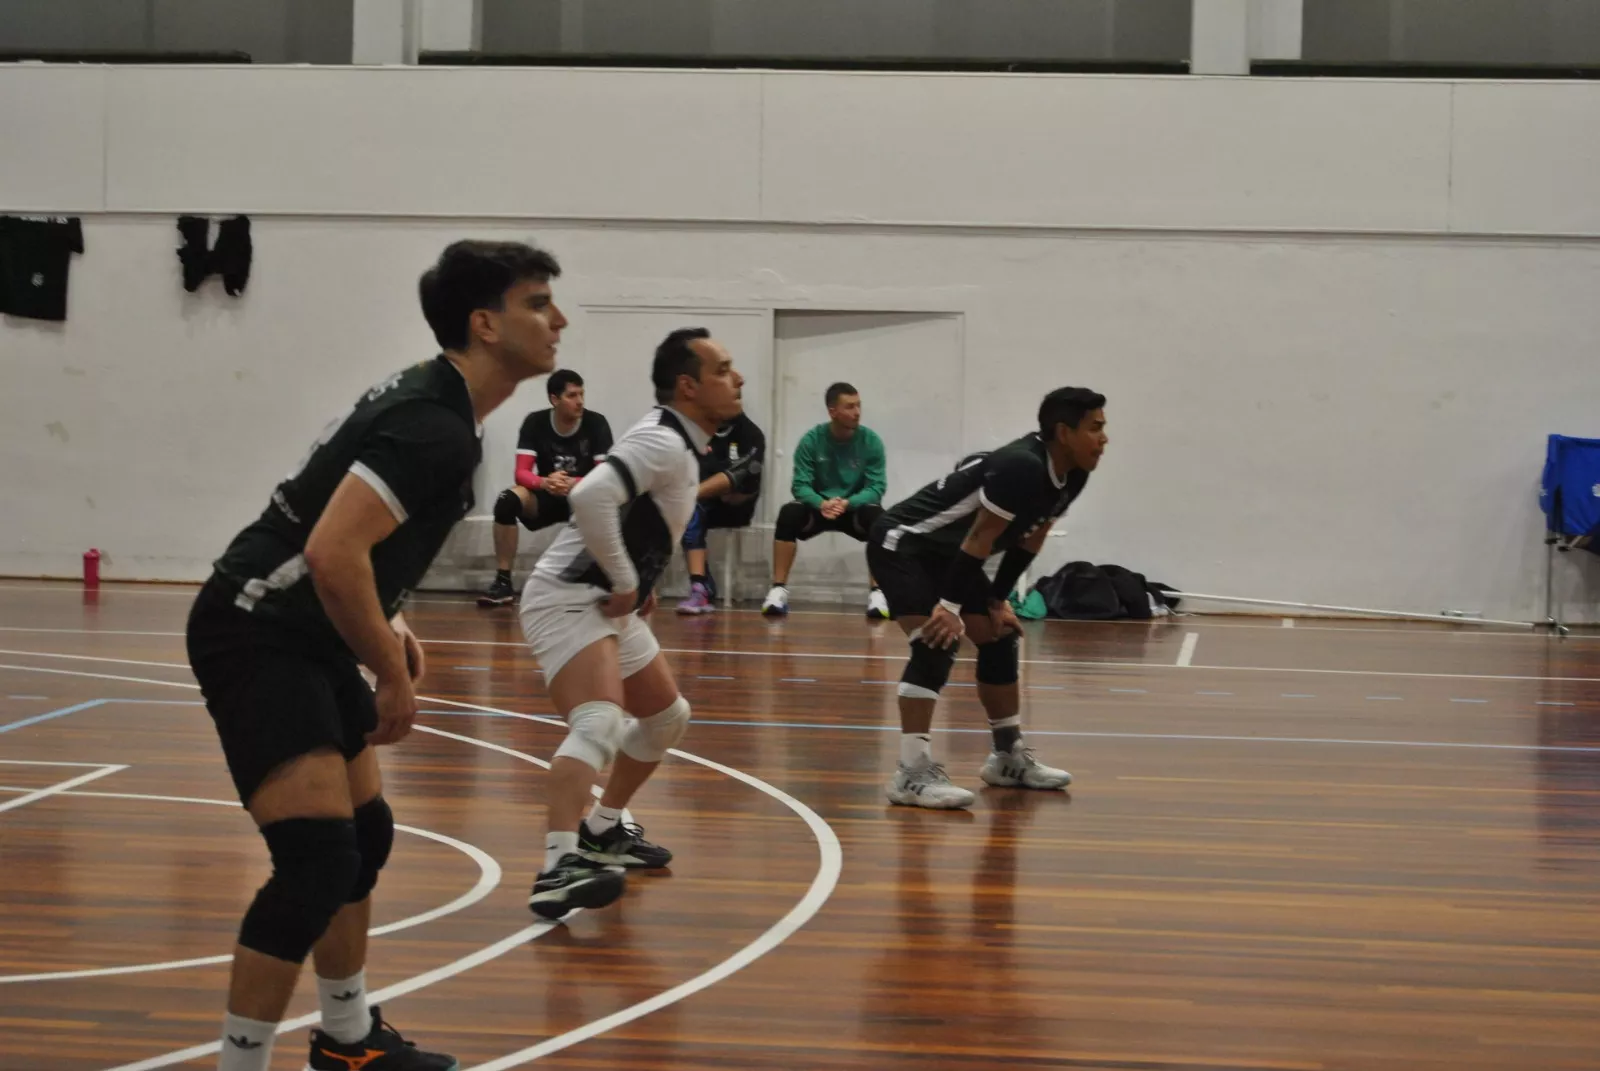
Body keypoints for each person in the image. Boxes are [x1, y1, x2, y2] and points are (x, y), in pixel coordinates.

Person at [184, 239, 565, 1071]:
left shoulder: (437, 402)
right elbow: (328, 551)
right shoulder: (434, 425)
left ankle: (348, 1041)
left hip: (307, 626)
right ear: (484, 324)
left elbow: (341, 535)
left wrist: (384, 618)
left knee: (365, 831)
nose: (557, 319)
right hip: (258, 628)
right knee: (316, 860)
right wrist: (389, 671)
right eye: (539, 302)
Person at [518, 327, 749, 919]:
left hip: (602, 599)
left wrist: (635, 583)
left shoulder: (680, 441)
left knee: (667, 716)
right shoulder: (663, 441)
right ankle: (556, 867)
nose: (738, 378)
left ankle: (602, 829)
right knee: (598, 720)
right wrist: (626, 579)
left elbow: (628, 513)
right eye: (724, 369)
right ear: (688, 386)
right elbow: (591, 496)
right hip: (568, 597)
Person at [864, 387, 1107, 810]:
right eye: (1096, 428)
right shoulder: (1021, 466)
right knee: (936, 640)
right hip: (903, 545)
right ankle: (910, 773)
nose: (1104, 439)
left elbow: (1034, 536)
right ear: (1064, 432)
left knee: (999, 637)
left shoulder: (1075, 473)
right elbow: (981, 536)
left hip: (951, 556)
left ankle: (1007, 758)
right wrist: (951, 608)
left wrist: (997, 598)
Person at [478, 368, 613, 607]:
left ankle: (608, 578)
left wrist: (575, 483)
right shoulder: (535, 422)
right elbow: (521, 473)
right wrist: (545, 482)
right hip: (548, 494)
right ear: (554, 399)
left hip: (583, 496)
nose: (580, 401)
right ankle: (502, 582)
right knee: (507, 500)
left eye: (582, 394)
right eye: (572, 395)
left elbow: (606, 474)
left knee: (616, 501)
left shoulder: (596, 423)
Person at [761, 382, 890, 618]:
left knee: (879, 518)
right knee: (789, 514)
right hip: (820, 508)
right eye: (850, 407)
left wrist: (847, 503)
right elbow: (800, 485)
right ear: (833, 411)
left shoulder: (871, 441)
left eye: (858, 405)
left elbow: (876, 487)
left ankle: (878, 593)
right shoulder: (811, 441)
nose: (857, 412)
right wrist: (821, 503)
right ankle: (778, 590)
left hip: (852, 509)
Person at [676, 410, 765, 614]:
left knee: (689, 505)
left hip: (736, 504)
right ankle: (700, 587)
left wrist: (710, 485)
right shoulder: (697, 429)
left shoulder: (750, 433)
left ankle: (702, 588)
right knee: (687, 511)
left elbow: (745, 479)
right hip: (701, 499)